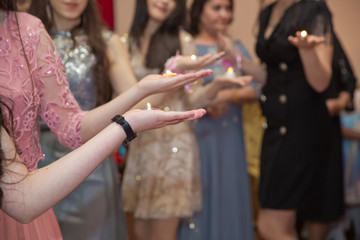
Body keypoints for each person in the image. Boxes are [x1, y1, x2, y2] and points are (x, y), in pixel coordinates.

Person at [0, 0, 213, 238]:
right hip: (41, 164)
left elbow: (73, 124)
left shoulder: (34, 31)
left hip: (89, 155)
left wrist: (148, 87)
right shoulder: (33, 31)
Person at [119, 0, 252, 239]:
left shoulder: (183, 41)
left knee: (163, 233)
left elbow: (194, 99)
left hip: (174, 149)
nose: (163, 2)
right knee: (138, 231)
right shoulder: (126, 43)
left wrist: (217, 87)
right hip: (140, 147)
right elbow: (121, 100)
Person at [27, 0, 138, 239]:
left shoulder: (107, 42)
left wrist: (170, 76)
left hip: (91, 159)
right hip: (39, 161)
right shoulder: (26, 37)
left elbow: (134, 98)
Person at [240, 0, 337, 239]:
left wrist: (306, 50)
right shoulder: (267, 13)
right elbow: (271, 76)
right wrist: (236, 59)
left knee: (271, 225)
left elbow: (321, 82)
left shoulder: (314, 10)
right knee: (272, 221)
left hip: (300, 127)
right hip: (274, 127)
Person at [177, 0, 260, 239]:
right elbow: (184, 94)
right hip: (199, 135)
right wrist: (209, 100)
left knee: (230, 194)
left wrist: (224, 95)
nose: (223, 14)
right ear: (199, 11)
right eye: (216, 8)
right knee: (202, 194)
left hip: (230, 137)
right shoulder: (188, 47)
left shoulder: (235, 48)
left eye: (227, 8)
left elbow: (255, 89)